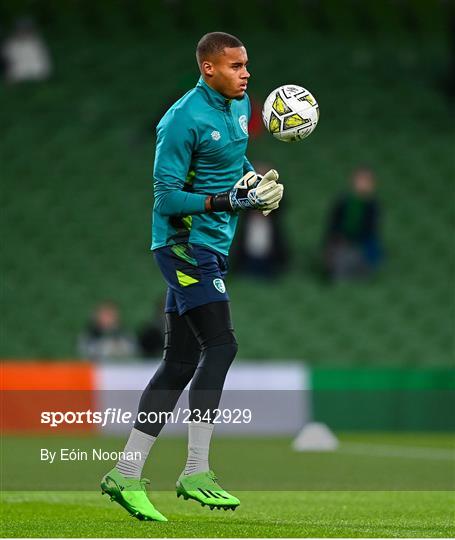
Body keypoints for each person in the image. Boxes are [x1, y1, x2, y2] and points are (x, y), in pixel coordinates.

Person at [100, 32, 284, 522]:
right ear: (208, 68)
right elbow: (165, 199)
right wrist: (229, 201)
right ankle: (196, 469)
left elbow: (230, 165)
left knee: (180, 363)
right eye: (235, 66)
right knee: (221, 345)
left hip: (212, 245)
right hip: (183, 244)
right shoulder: (182, 120)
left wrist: (253, 184)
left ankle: (124, 472)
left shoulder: (240, 107)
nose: (246, 73)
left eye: (247, 64)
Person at [322, 167, 383, 281]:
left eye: (366, 181)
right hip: (340, 242)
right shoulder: (343, 201)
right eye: (360, 180)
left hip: (361, 245)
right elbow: (333, 224)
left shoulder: (373, 206)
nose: (362, 184)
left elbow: (370, 230)